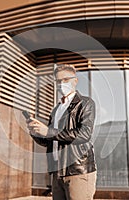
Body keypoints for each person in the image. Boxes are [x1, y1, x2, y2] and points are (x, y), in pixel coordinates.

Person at [26, 64, 97, 200]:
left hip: (77, 171)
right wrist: (35, 131)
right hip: (57, 172)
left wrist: (49, 131)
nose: (61, 84)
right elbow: (49, 141)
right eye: (58, 81)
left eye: (65, 80)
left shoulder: (85, 103)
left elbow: (84, 134)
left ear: (75, 81)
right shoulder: (56, 109)